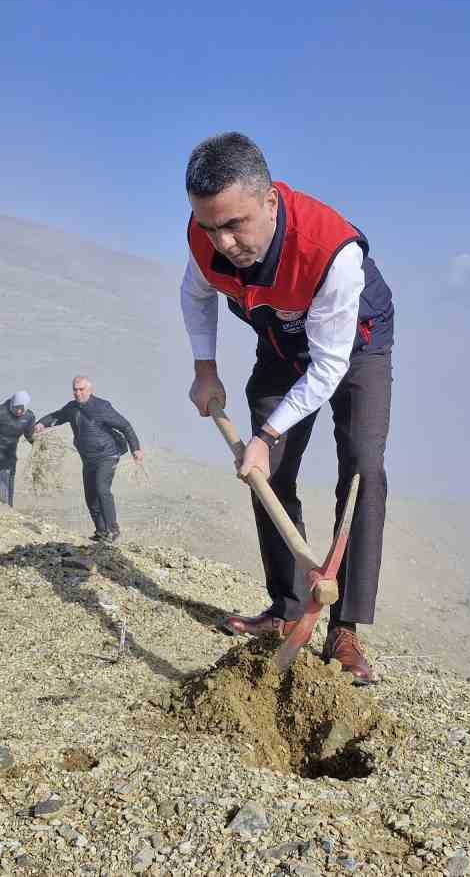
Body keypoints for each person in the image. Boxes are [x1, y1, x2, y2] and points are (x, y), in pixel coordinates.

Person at [179, 132, 395, 685]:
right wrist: (206, 370)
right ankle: (286, 608)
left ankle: (344, 629)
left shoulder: (331, 252)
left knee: (362, 470)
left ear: (271, 201)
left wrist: (266, 433)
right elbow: (197, 294)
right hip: (281, 340)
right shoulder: (205, 241)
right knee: (267, 476)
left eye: (236, 225)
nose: (223, 242)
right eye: (210, 226)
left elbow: (327, 366)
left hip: (354, 345)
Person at [32, 376, 143, 543]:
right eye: (75, 390)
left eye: (81, 389)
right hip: (88, 458)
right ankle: (101, 531)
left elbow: (125, 426)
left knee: (101, 488)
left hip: (107, 455)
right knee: (90, 495)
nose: (77, 393)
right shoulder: (72, 408)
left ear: (90, 390)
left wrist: (136, 448)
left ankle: (113, 528)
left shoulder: (102, 407)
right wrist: (42, 424)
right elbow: (58, 416)